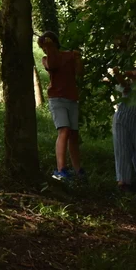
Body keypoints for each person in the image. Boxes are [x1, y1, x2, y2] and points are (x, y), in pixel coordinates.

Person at [40, 31, 84, 181]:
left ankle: (78, 170)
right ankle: (61, 170)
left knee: (73, 134)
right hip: (56, 99)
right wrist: (49, 48)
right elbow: (51, 65)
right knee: (64, 130)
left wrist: (78, 58)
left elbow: (80, 72)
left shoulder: (69, 56)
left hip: (71, 98)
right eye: (43, 47)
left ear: (55, 43)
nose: (45, 49)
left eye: (47, 46)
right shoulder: (46, 59)